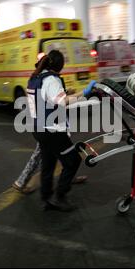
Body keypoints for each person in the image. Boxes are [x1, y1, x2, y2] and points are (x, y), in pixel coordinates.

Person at [27, 50, 96, 211]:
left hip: (38, 128)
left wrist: (66, 92)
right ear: (60, 65)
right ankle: (59, 197)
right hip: (52, 131)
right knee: (72, 161)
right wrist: (84, 93)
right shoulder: (51, 80)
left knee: (48, 163)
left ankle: (46, 198)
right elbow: (63, 102)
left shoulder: (35, 77)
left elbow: (44, 98)